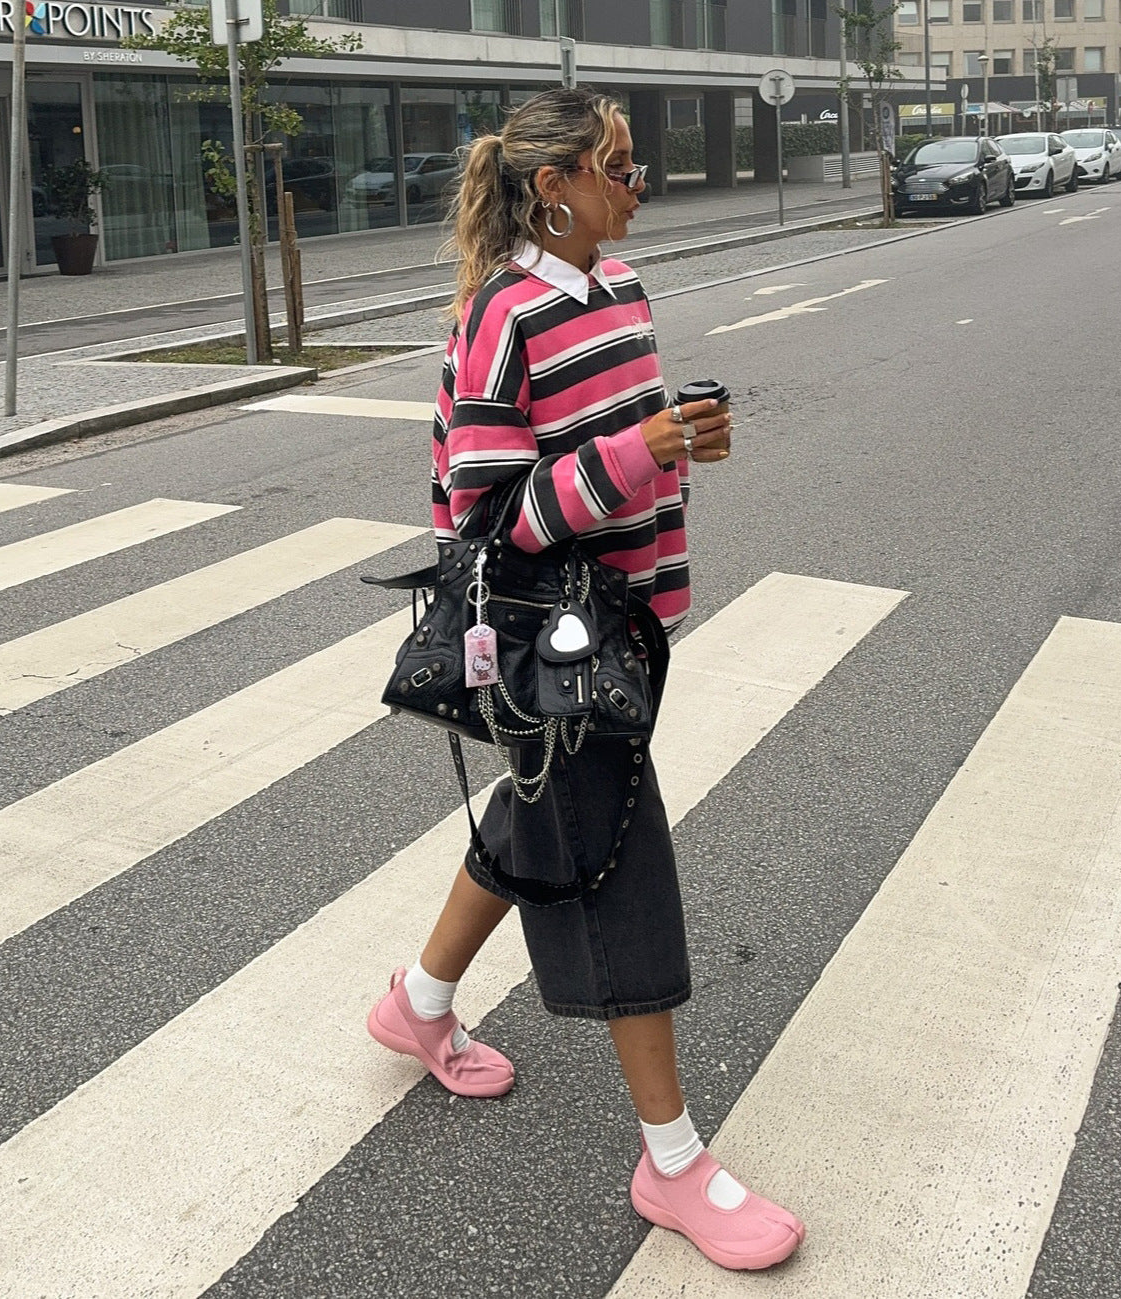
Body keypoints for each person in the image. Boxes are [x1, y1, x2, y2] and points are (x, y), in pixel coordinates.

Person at [366, 87, 805, 1272]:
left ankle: (418, 999)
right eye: (618, 164)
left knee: (542, 817)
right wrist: (637, 453)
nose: (637, 181)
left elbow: (621, 457)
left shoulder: (617, 290)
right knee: (614, 865)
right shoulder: (501, 318)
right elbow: (489, 519)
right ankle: (674, 1165)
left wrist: (678, 447)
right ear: (553, 186)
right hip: (550, 650)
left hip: (627, 629)